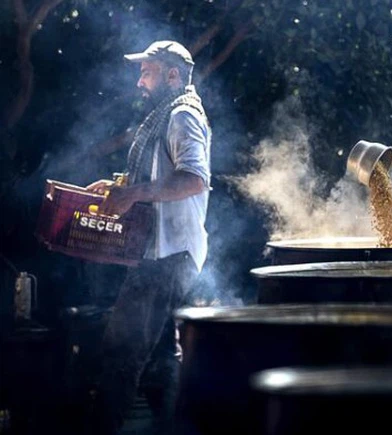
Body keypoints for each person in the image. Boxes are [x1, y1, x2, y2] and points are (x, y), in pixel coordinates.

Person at [85, 40, 211, 434]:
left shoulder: (182, 117)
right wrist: (118, 187)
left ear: (172, 75)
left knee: (121, 351)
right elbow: (158, 175)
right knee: (161, 358)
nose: (140, 81)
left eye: (147, 72)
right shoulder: (166, 114)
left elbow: (194, 178)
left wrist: (135, 193)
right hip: (162, 254)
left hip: (168, 256)